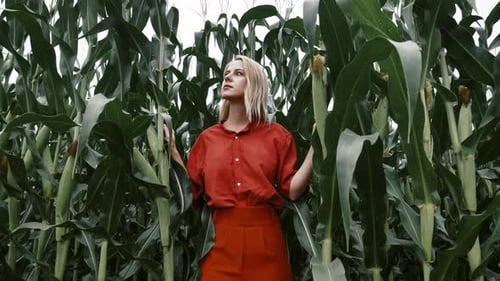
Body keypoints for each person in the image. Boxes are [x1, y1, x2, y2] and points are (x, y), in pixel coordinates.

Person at [165, 55, 314, 281]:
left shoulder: (277, 136)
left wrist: (316, 148)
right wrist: (173, 152)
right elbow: (189, 194)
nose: (227, 77)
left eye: (238, 73)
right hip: (219, 242)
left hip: (267, 243)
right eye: (226, 73)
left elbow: (291, 190)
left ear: (255, 84)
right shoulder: (207, 140)